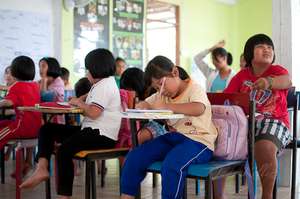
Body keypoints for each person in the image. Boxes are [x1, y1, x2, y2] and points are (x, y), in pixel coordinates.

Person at [20, 49, 122, 199]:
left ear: (96, 69)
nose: (87, 73)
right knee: (47, 129)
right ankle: (42, 168)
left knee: (64, 150)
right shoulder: (102, 84)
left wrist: (78, 103)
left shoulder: (105, 85)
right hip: (91, 130)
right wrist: (81, 99)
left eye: (88, 69)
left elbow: (93, 112)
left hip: (102, 136)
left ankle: (64, 195)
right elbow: (90, 99)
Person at [120, 55, 218, 199]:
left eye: (162, 84)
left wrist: (167, 106)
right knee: (135, 156)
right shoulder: (162, 95)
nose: (161, 90)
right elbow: (147, 104)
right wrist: (142, 106)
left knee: (172, 165)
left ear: (175, 73)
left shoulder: (194, 88)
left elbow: (199, 108)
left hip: (199, 141)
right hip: (174, 139)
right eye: (156, 87)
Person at [215, 34, 292, 199]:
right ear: (250, 53)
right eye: (261, 46)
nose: (267, 49)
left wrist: (269, 82)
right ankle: (218, 196)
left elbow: (287, 81)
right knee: (219, 143)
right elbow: (226, 99)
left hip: (275, 122)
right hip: (245, 123)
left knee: (264, 146)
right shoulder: (241, 76)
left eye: (270, 47)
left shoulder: (277, 71)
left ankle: (267, 196)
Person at [0, 56, 41, 176]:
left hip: (22, 127)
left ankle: (7, 157)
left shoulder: (16, 86)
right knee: (3, 124)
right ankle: (23, 163)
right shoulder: (35, 86)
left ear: (14, 71)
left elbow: (8, 102)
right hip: (36, 128)